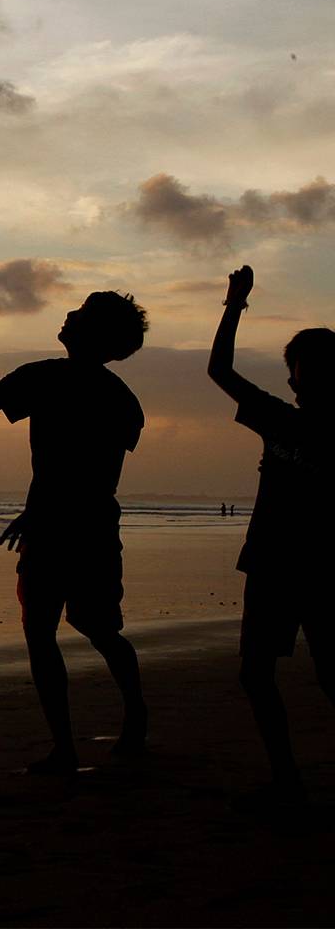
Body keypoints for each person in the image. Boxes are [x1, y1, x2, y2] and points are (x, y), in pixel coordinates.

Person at [0, 291, 149, 775]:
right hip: (94, 522)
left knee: (42, 630)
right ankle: (131, 716)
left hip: (56, 523)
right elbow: (99, 472)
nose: (68, 315)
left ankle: (65, 748)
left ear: (91, 331)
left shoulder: (41, 376)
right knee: (98, 627)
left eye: (78, 313)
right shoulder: (122, 399)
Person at [207, 264, 335, 811]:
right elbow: (220, 370)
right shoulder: (279, 418)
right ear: (293, 383)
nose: (319, 378)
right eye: (309, 370)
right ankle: (285, 778)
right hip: (270, 566)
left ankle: (287, 780)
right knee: (255, 674)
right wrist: (234, 305)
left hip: (327, 571)